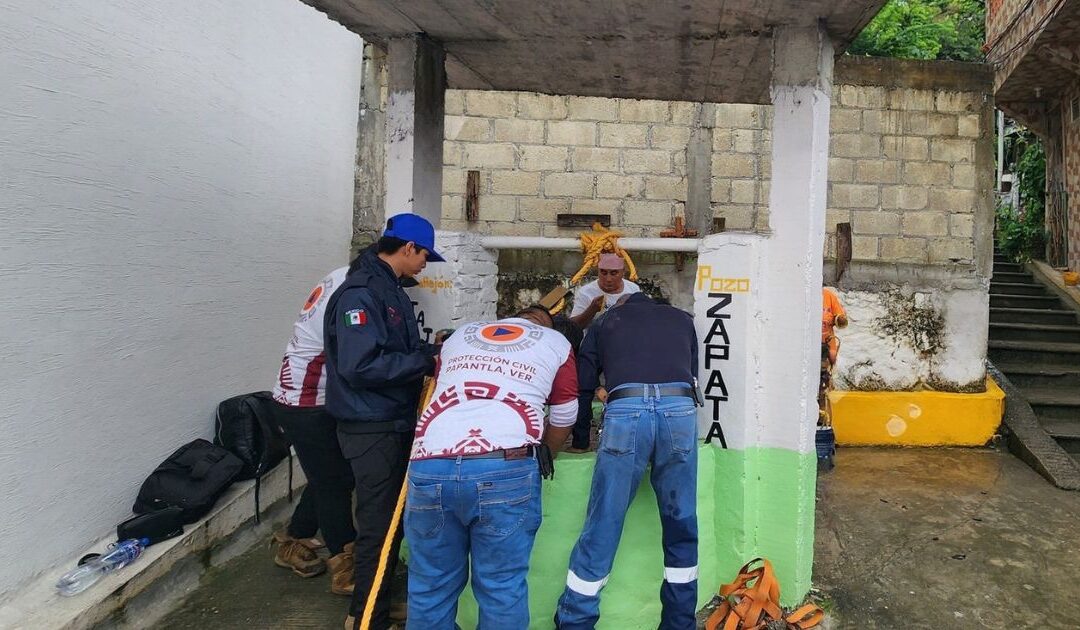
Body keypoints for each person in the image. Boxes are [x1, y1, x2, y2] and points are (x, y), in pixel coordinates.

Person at [406, 306, 579, 628]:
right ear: (544, 324)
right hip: (505, 465)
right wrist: (545, 456)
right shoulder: (555, 342)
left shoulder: (459, 338)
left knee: (430, 585)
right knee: (501, 586)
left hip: (430, 462)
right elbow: (566, 414)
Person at [324, 213, 445, 630]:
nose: (426, 262)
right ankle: (366, 618)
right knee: (379, 526)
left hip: (388, 420)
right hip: (370, 426)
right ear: (408, 247)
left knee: (391, 524)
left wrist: (428, 350)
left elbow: (393, 349)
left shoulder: (388, 288)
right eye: (425, 253)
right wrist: (425, 360)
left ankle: (374, 604)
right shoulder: (361, 294)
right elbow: (360, 365)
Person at [555, 293, 700, 630]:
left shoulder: (606, 321)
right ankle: (679, 622)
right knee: (681, 522)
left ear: (620, 306)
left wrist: (580, 441)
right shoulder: (681, 320)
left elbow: (584, 385)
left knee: (604, 521)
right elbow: (691, 376)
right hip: (680, 410)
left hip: (626, 410)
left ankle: (575, 621)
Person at [268, 265, 357, 595]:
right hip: (306, 401)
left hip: (305, 395)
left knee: (329, 474)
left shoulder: (342, 275)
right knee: (334, 484)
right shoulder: (354, 290)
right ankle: (345, 568)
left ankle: (293, 540)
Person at [568, 253, 640, 329]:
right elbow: (572, 327)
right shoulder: (585, 292)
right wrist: (591, 310)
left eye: (614, 273)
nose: (608, 279)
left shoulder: (633, 289)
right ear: (598, 272)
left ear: (623, 272)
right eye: (603, 273)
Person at [821, 287, 848, 367]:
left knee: (831, 359)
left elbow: (840, 316)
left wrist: (840, 318)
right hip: (812, 342)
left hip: (827, 341)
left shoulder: (828, 295)